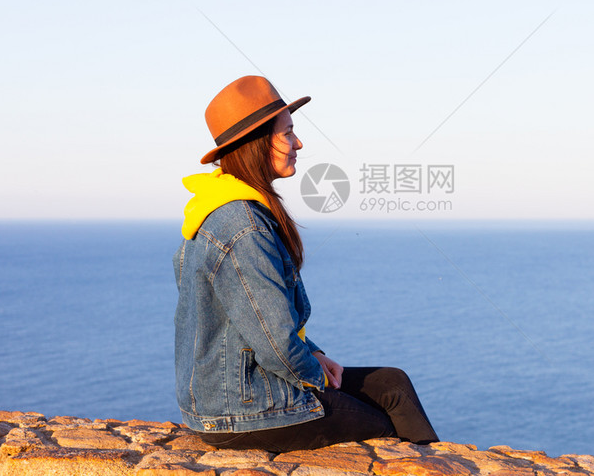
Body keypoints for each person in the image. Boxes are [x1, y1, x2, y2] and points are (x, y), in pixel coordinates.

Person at [173, 75, 439, 452]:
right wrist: (314, 377)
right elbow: (277, 343)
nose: (299, 143)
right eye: (287, 134)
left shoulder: (216, 209)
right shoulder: (243, 227)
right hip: (242, 410)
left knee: (392, 383)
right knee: (382, 430)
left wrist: (313, 352)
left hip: (233, 395)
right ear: (255, 143)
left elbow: (252, 317)